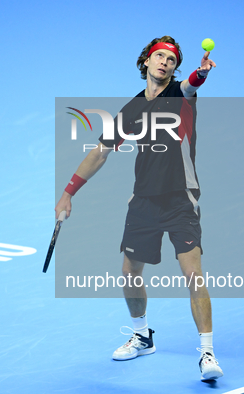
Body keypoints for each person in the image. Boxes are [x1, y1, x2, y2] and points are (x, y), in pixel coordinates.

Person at [54, 36, 223, 381]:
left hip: (180, 199)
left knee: (193, 276)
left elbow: (193, 84)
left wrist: (200, 73)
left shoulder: (180, 95)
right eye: (159, 56)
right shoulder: (131, 109)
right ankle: (143, 335)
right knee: (130, 273)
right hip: (143, 201)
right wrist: (69, 192)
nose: (164, 62)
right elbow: (100, 152)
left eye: (171, 60)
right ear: (146, 61)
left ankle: (207, 353)